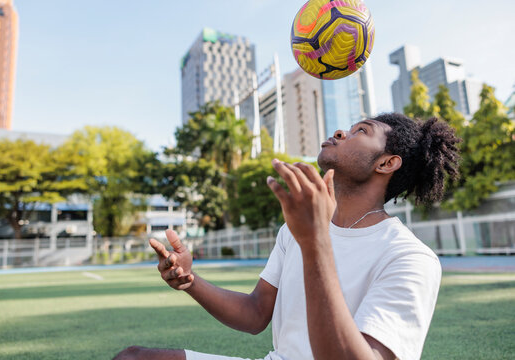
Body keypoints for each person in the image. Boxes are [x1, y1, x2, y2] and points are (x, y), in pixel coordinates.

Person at [114, 113, 461, 360]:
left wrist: (315, 242)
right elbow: (255, 314)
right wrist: (190, 281)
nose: (340, 131)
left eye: (361, 131)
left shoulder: (409, 257)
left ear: (386, 163)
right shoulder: (297, 228)